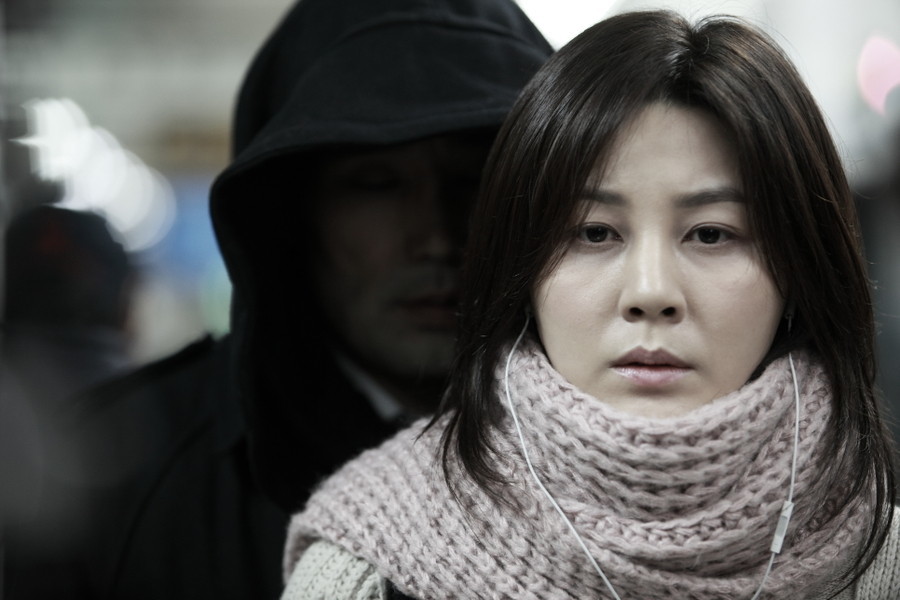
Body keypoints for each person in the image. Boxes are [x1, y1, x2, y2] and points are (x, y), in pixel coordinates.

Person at [281, 10, 900, 600]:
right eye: (594, 233)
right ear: (520, 269)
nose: (651, 293)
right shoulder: (367, 563)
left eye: (712, 234)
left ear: (798, 270)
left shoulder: (881, 555)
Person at [1, 0, 553, 598]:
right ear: (291, 217)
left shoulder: (624, 455)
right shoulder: (123, 475)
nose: (438, 237)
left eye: (475, 181)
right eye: (376, 184)